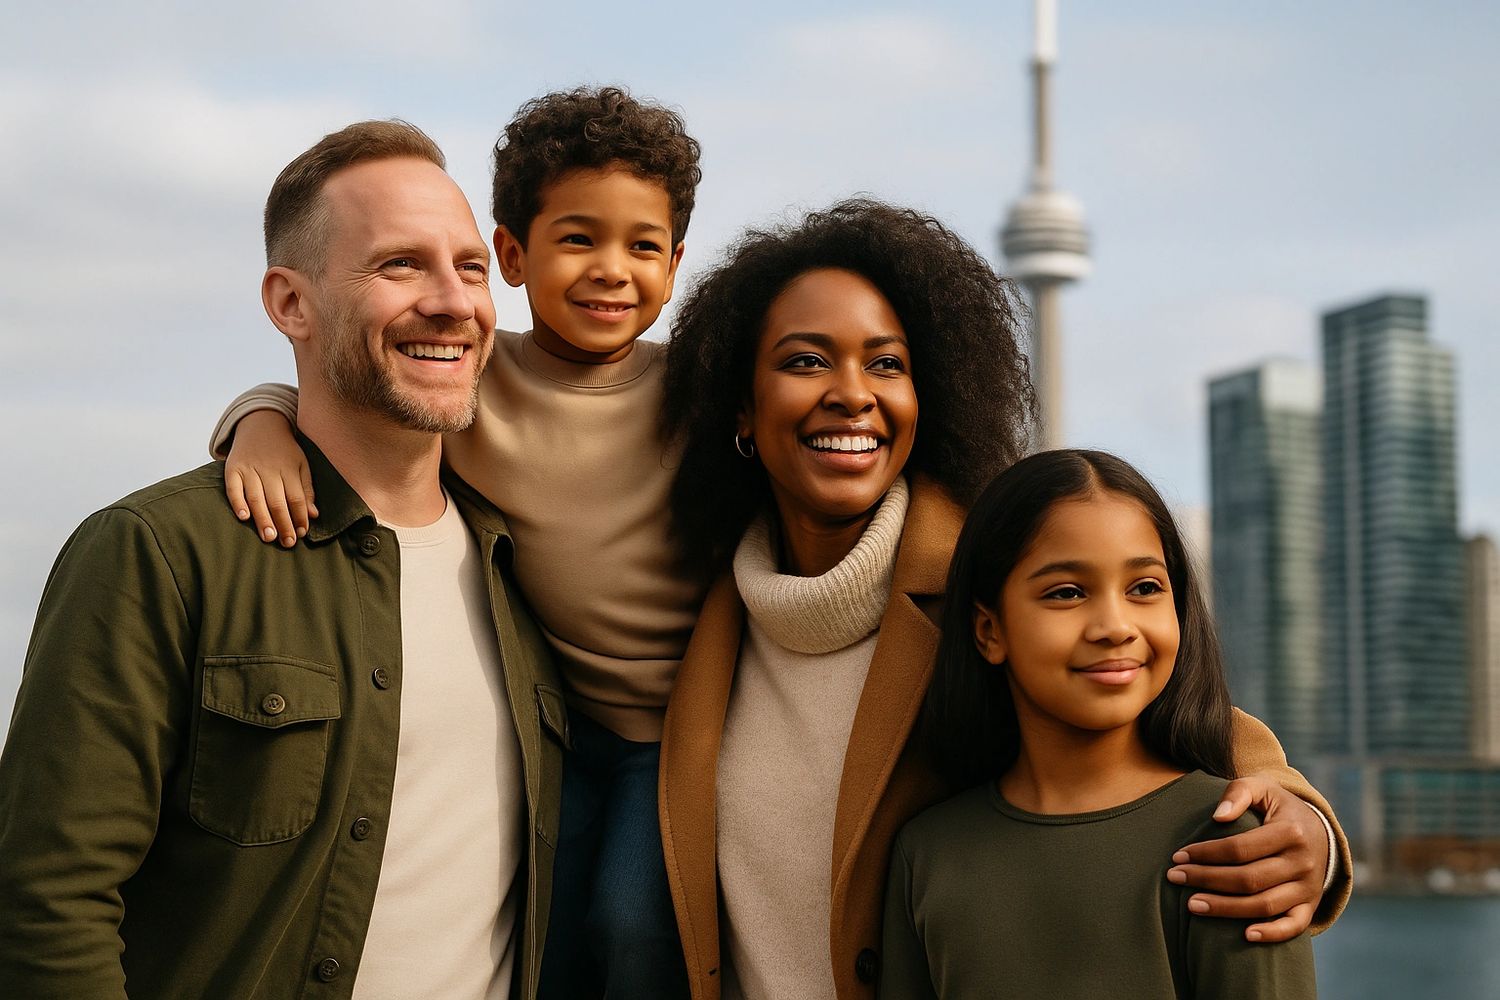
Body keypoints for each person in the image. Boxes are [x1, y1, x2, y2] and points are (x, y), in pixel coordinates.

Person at [656, 200, 1352, 1000]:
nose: (853, 394)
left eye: (887, 363)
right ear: (739, 403)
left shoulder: (989, 581)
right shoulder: (703, 611)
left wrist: (1311, 830)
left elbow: (1185, 722)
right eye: (806, 361)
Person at [0, 121, 565, 999]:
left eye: (472, 267)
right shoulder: (160, 552)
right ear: (289, 303)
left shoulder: (528, 569)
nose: (455, 302)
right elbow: (46, 900)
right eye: (400, 265)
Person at [205, 87, 702, 999]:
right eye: (578, 239)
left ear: (675, 263)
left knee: (633, 928)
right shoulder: (473, 372)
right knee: (536, 937)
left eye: (643, 248)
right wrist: (258, 420)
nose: (611, 271)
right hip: (545, 726)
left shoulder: (695, 396)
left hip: (669, 737)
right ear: (512, 255)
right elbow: (349, 389)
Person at [880, 449, 1317, 999]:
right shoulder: (926, 854)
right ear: (989, 631)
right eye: (1067, 592)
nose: (1115, 626)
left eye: (1145, 589)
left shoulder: (1231, 842)